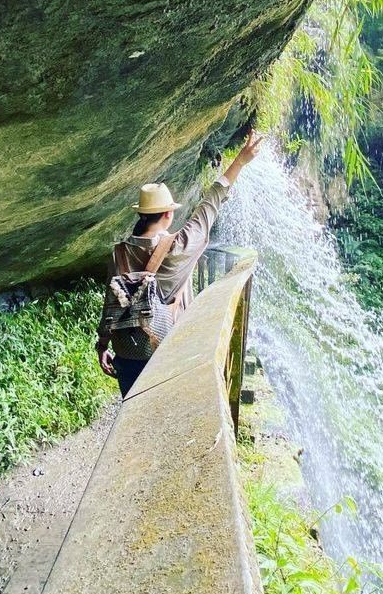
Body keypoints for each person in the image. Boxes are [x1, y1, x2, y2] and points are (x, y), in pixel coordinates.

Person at [96, 129, 264, 396]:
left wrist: (102, 344)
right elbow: (211, 203)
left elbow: (112, 302)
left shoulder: (119, 253)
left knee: (135, 418)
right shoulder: (179, 246)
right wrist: (240, 162)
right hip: (165, 347)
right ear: (167, 215)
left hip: (127, 351)